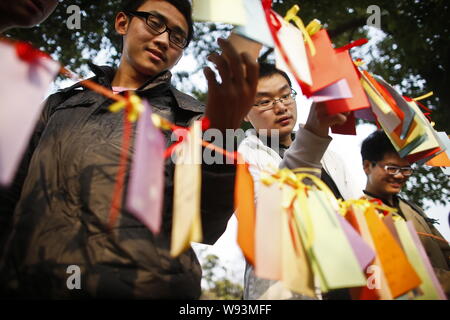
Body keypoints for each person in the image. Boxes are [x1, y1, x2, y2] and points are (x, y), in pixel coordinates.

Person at [0, 0, 259, 299]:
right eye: (154, 22)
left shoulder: (195, 120)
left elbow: (204, 221)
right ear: (122, 22)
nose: (163, 39)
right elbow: (9, 196)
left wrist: (222, 131)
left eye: (177, 37)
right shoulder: (59, 106)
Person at [238, 62, 359, 300]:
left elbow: (356, 213)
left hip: (347, 283)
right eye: (264, 101)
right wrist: (313, 135)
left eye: (286, 95)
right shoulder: (241, 157)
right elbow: (272, 215)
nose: (281, 107)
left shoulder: (330, 156)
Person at [361, 130, 450, 296]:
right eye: (392, 168)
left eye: (406, 169)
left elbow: (444, 251)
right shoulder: (362, 214)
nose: (400, 176)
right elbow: (405, 271)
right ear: (367, 166)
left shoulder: (413, 208)